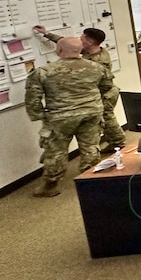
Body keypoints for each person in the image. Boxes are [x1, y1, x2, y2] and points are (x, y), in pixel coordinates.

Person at [25, 37, 114, 197]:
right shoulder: (96, 67)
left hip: (60, 117)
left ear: (59, 50)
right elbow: (107, 86)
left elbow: (33, 98)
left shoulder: (44, 71)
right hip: (91, 113)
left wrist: (39, 115)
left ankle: (51, 185)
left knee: (56, 151)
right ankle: (91, 180)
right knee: (90, 146)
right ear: (80, 50)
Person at [33, 25, 126, 151]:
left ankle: (119, 143)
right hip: (100, 91)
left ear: (90, 42)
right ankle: (117, 142)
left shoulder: (99, 61)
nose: (78, 40)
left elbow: (101, 83)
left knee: (107, 118)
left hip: (105, 93)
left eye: (81, 38)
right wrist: (47, 33)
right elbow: (67, 43)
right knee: (106, 117)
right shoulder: (91, 50)